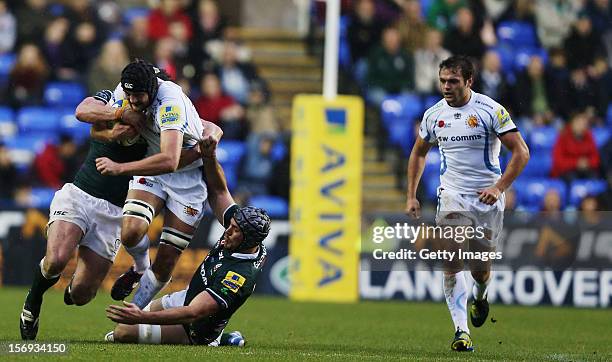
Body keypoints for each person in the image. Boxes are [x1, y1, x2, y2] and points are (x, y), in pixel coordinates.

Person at [405, 55, 530, 351]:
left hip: (487, 199)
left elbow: (521, 152)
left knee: (480, 270)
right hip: (452, 194)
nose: (446, 87)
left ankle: (480, 295)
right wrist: (411, 194)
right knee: (450, 259)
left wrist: (499, 188)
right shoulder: (434, 115)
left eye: (453, 81)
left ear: (469, 81)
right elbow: (418, 153)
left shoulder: (490, 110)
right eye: (442, 81)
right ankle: (462, 332)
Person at [104, 134, 270, 347]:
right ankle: (224, 337)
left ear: (248, 240)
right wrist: (209, 157)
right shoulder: (243, 233)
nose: (227, 230)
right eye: (231, 225)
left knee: (123, 332)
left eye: (235, 230)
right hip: (187, 297)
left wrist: (141, 318)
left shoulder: (238, 276)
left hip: (197, 327)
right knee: (132, 320)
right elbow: (219, 191)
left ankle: (219, 340)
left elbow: (194, 313)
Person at [88, 59, 221, 310]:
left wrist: (120, 168)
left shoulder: (170, 103)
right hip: (152, 167)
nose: (133, 101)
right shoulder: (126, 91)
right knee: (130, 232)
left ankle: (135, 311)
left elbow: (171, 160)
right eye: (129, 95)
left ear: (153, 88)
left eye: (138, 96)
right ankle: (140, 267)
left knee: (166, 261)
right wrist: (115, 120)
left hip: (187, 178)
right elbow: (88, 119)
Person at [19, 88, 148, 340]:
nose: (135, 97)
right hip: (80, 195)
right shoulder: (112, 98)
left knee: (81, 296)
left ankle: (74, 287)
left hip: (114, 212)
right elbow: (82, 111)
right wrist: (118, 118)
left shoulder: (163, 119)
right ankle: (33, 300)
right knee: (56, 259)